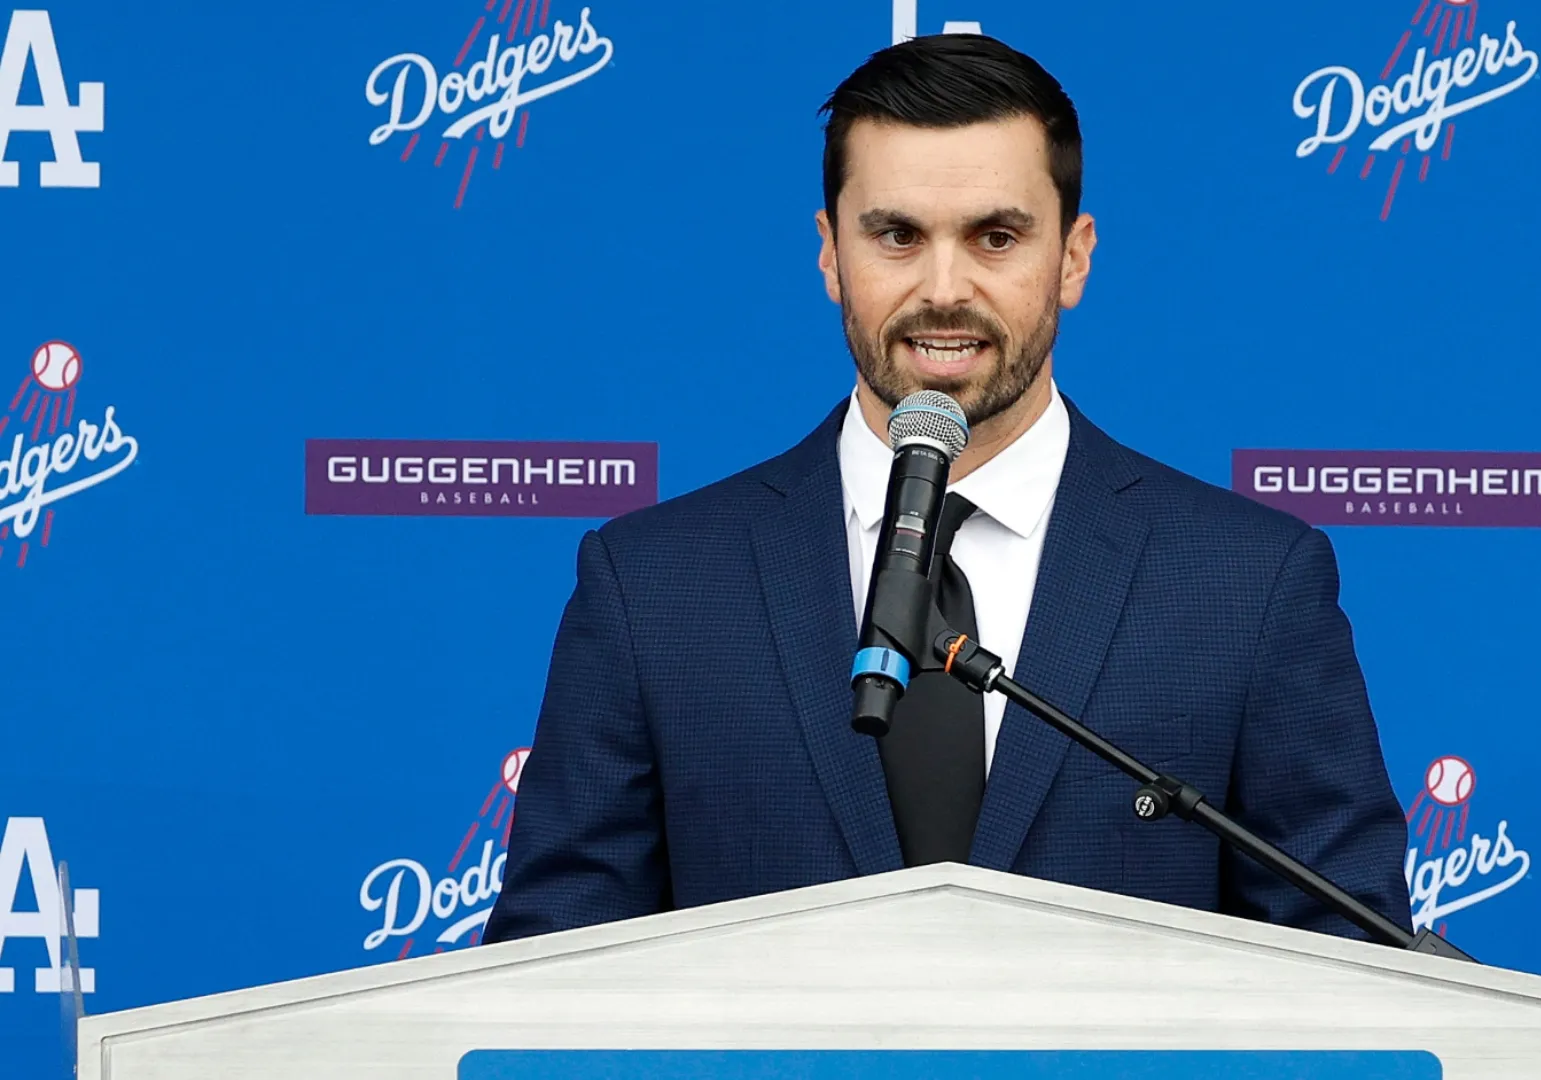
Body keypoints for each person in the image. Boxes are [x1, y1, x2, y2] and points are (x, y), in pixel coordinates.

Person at [485, 34, 1409, 943]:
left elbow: (1351, 974)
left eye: (995, 236)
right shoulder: (653, 583)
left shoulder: (1249, 581)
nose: (943, 287)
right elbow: (547, 976)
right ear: (828, 253)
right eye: (896, 235)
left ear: (1074, 257)